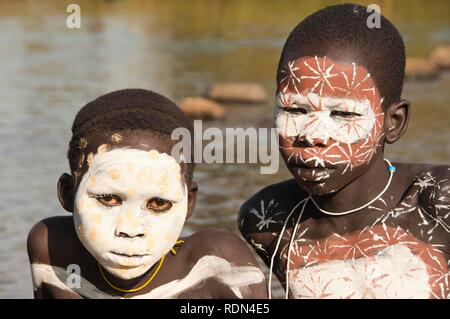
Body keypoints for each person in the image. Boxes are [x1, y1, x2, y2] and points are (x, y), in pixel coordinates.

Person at [238, 3, 449, 299]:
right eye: (294, 109)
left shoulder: (436, 201)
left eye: (344, 114)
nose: (312, 135)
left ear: (394, 121)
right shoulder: (269, 219)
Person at [27, 88, 266, 299]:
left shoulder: (218, 267)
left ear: (189, 202)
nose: (130, 230)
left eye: (159, 203)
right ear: (68, 194)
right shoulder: (52, 249)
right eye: (108, 199)